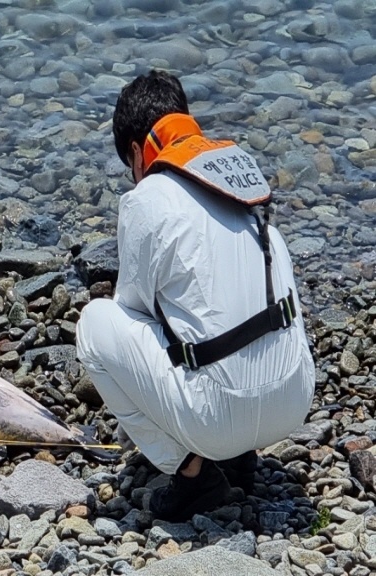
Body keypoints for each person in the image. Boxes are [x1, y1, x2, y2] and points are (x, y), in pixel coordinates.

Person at [75, 70, 315, 521]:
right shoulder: (239, 181)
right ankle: (240, 456)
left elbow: (134, 313)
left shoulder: (148, 198)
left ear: (136, 153)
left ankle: (193, 473)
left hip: (217, 418)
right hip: (294, 399)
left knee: (95, 325)